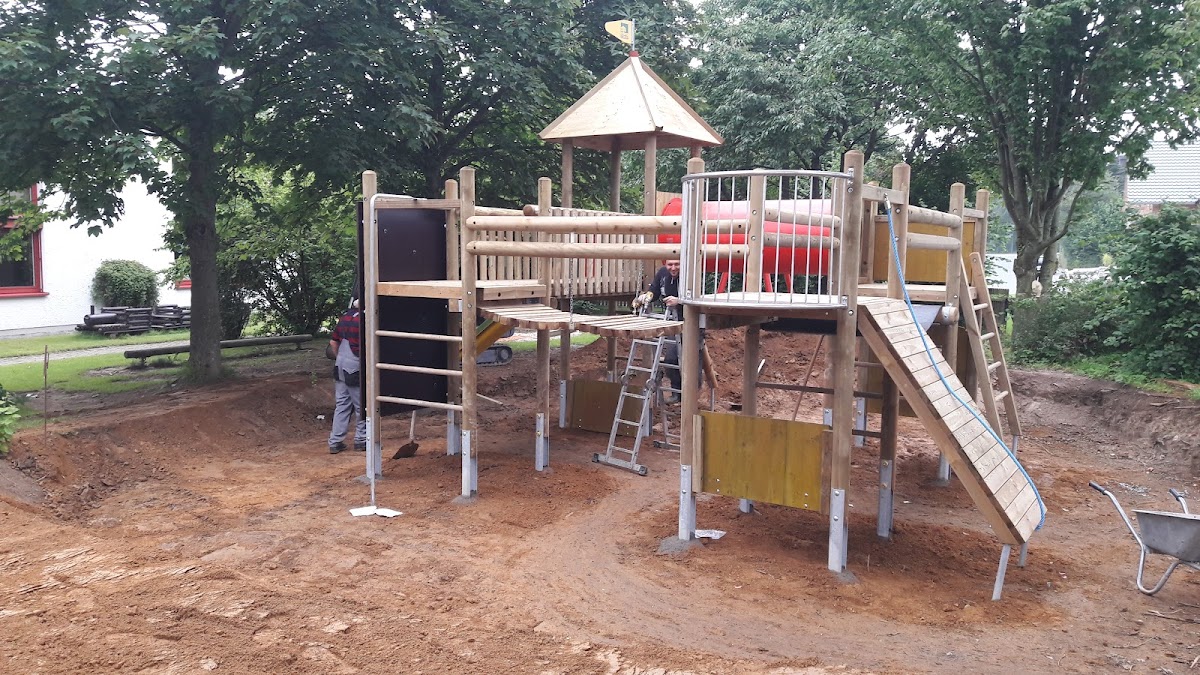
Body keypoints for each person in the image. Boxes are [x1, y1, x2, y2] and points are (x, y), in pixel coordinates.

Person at [327, 302, 367, 454]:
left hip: (340, 365)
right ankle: (362, 440)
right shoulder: (365, 319)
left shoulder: (345, 317)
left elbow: (333, 342)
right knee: (362, 405)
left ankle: (335, 441)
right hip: (355, 366)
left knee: (342, 405)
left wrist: (340, 358)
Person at [647, 260, 683, 403]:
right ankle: (677, 393)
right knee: (671, 359)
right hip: (672, 323)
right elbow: (654, 291)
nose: (673, 268)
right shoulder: (662, 273)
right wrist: (646, 296)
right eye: (670, 265)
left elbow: (697, 296)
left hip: (690, 322)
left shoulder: (690, 274)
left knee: (689, 359)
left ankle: (688, 394)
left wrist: (679, 300)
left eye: (677, 264)